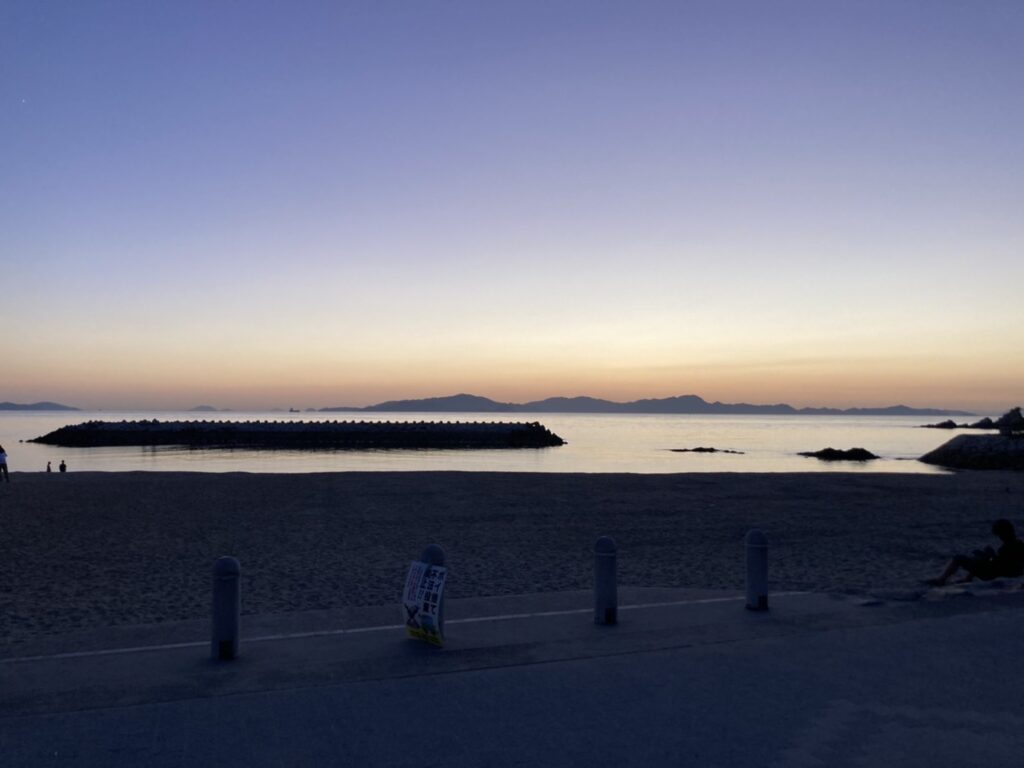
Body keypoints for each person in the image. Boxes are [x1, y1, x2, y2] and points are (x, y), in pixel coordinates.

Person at [928, 519, 1024, 586]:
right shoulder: (1018, 544)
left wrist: (989, 556)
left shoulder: (1007, 547)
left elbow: (999, 564)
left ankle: (942, 580)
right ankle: (968, 578)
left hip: (995, 573)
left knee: (959, 558)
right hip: (1007, 571)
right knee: (979, 559)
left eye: (999, 534)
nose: (999, 537)